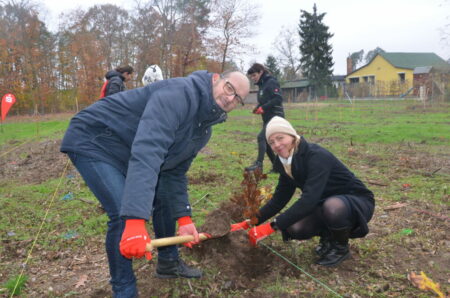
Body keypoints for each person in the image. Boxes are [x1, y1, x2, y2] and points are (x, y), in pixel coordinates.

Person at [61, 70, 249, 297]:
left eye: (238, 98)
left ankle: (168, 262)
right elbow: (148, 151)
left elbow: (174, 172)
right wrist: (134, 221)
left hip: (126, 146)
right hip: (95, 139)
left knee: (164, 197)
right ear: (216, 79)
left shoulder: (203, 129)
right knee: (122, 211)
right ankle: (124, 290)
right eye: (230, 88)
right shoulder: (179, 94)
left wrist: (184, 217)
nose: (230, 98)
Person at [232, 116, 375, 267]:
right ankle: (328, 237)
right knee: (295, 228)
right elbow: (279, 200)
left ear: (292, 136)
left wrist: (270, 227)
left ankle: (340, 248)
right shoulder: (285, 163)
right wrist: (250, 222)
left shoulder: (316, 156)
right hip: (323, 203)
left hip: (354, 202)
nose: (277, 145)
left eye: (280, 138)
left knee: (333, 206)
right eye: (272, 142)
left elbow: (308, 200)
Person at [245, 63, 285, 173]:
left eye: (254, 75)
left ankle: (259, 164)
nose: (253, 78)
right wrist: (258, 108)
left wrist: (263, 107)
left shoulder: (271, 82)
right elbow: (264, 101)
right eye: (251, 77)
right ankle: (277, 167)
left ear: (261, 72)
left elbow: (278, 99)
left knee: (261, 137)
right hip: (267, 117)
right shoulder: (262, 85)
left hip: (276, 116)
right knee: (267, 141)